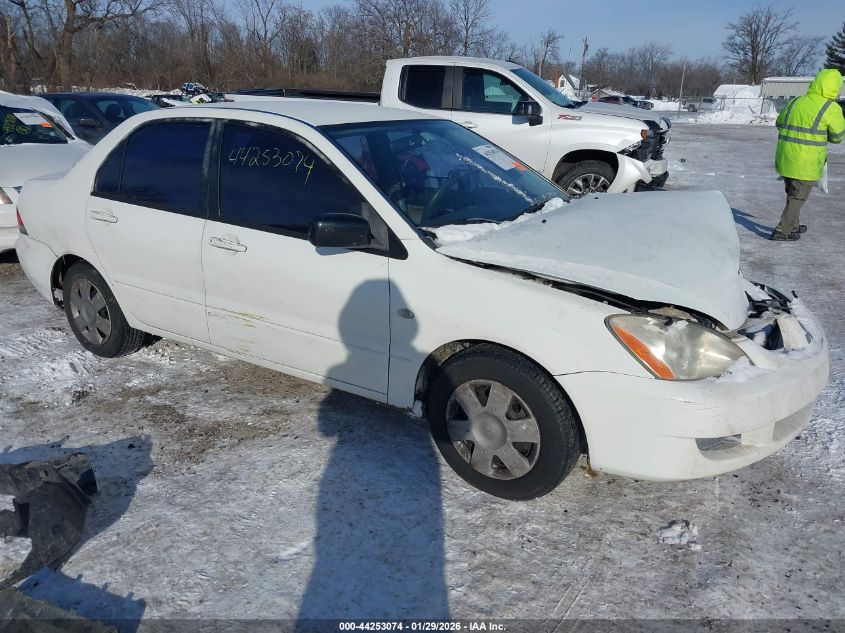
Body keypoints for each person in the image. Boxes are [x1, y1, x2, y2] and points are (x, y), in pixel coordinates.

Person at [771, 68, 845, 241]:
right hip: (806, 162)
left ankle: (793, 225)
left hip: (785, 157)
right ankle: (782, 230)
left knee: (792, 194)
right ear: (835, 87)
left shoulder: (796, 101)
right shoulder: (830, 107)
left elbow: (779, 122)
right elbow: (838, 136)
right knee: (798, 197)